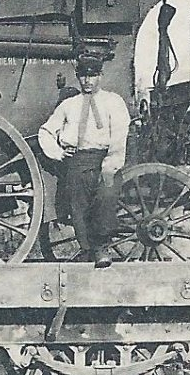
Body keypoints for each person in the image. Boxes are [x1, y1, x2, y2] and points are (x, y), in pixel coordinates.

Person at [36, 54, 131, 268]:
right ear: (78, 78)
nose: (88, 81)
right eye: (83, 76)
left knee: (105, 198)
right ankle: (87, 249)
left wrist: (111, 162)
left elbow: (119, 134)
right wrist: (57, 153)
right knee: (78, 207)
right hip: (77, 161)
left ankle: (101, 247)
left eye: (93, 76)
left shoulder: (113, 102)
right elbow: (46, 131)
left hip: (105, 158)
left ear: (101, 76)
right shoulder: (69, 105)